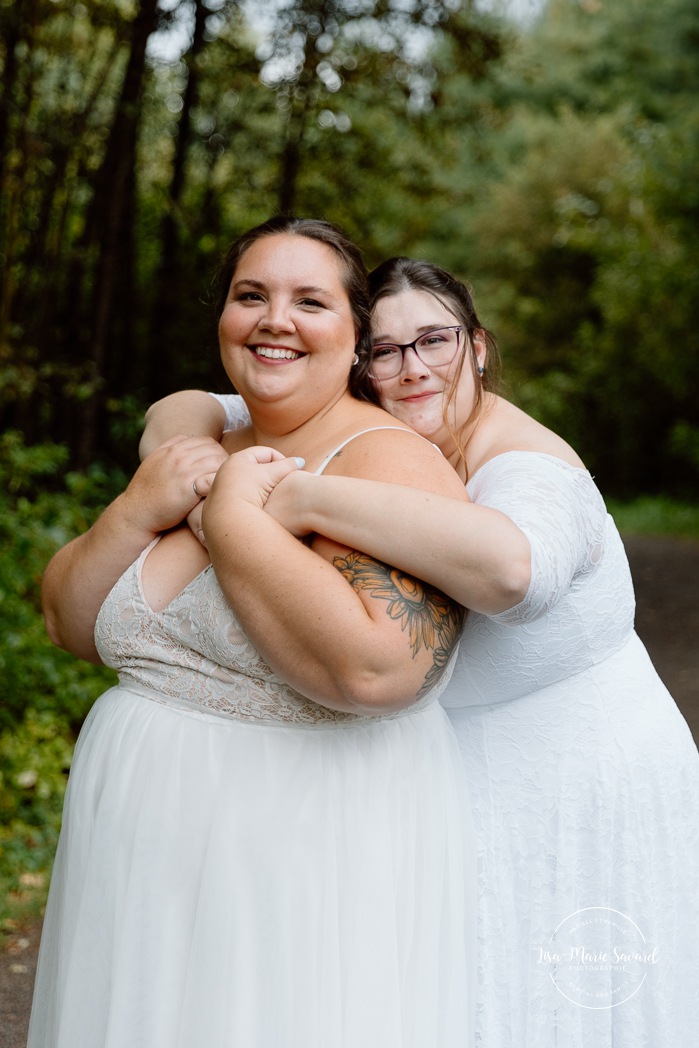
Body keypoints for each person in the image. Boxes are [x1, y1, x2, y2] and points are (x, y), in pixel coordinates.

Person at [145, 254, 699, 1047]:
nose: (410, 370)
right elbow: (192, 403)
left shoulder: (528, 464)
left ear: (476, 346)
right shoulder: (383, 435)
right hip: (450, 784)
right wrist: (182, 442)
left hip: (585, 783)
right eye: (384, 350)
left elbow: (514, 573)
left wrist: (295, 495)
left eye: (432, 341)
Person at [29, 222, 479, 1048]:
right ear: (223, 318)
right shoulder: (198, 444)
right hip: (135, 853)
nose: (276, 319)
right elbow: (67, 621)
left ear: (354, 340)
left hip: (292, 859)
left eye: (310, 301)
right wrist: (140, 506)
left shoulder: (385, 462)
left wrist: (229, 516)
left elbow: (381, 673)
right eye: (251, 296)